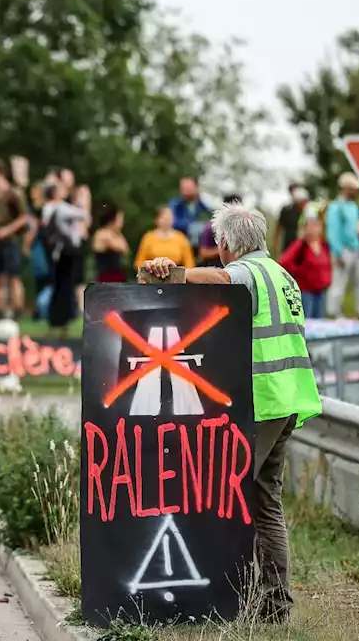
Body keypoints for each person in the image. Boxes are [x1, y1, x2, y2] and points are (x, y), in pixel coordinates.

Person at [141, 203, 321, 623]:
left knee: (223, 494)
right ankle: (275, 609)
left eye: (217, 245)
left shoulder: (248, 273)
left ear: (225, 244)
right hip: (288, 399)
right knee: (264, 501)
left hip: (264, 400)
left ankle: (214, 601)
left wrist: (175, 274)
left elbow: (224, 278)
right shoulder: (282, 275)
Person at [0, 158, 30, 320]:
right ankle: (0, 311)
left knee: (13, 276)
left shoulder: (12, 193)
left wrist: (6, 230)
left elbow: (24, 218)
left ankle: (17, 310)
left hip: (10, 239)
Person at [40, 182, 87, 334]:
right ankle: (64, 317)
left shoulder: (46, 208)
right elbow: (82, 215)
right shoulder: (60, 208)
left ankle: (55, 318)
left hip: (54, 252)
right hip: (65, 252)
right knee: (66, 285)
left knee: (57, 285)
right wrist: (82, 201)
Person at [325, 172, 359, 318]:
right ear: (346, 188)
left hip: (356, 249)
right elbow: (333, 231)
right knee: (339, 283)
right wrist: (337, 252)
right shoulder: (336, 207)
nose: (356, 191)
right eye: (354, 188)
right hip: (343, 250)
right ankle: (334, 313)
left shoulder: (353, 207)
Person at [278, 216, 332, 319]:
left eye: (317, 225)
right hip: (306, 292)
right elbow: (284, 261)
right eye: (311, 226)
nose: (314, 229)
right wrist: (299, 272)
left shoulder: (324, 245)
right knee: (307, 321)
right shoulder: (301, 244)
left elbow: (327, 265)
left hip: (321, 291)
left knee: (319, 322)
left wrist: (328, 281)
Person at [134, 206, 195, 270]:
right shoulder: (148, 237)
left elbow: (189, 263)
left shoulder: (181, 238)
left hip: (176, 275)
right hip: (152, 273)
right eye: (164, 218)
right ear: (157, 219)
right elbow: (139, 262)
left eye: (169, 217)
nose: (167, 220)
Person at [169, 176, 213, 252]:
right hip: (180, 242)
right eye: (183, 188)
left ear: (196, 188)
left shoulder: (201, 203)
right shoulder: (176, 204)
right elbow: (172, 222)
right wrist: (192, 225)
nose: (185, 191)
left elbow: (211, 214)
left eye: (188, 188)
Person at [91, 202, 128, 283]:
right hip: (107, 277)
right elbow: (121, 247)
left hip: (116, 277)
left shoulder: (114, 234)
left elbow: (126, 249)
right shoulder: (103, 234)